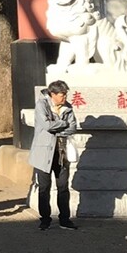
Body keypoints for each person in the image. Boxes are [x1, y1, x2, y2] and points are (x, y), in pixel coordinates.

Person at [29, 79, 77, 231]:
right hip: (43, 152)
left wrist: (58, 129)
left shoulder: (68, 107)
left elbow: (73, 127)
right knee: (44, 187)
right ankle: (45, 219)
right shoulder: (42, 105)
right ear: (53, 94)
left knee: (63, 186)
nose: (64, 98)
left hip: (61, 153)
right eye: (62, 95)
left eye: (65, 94)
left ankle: (65, 219)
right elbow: (46, 125)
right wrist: (63, 124)